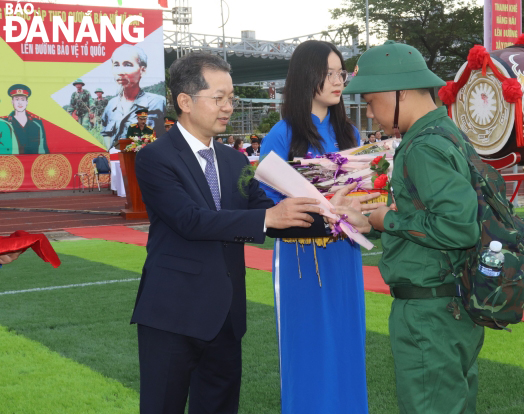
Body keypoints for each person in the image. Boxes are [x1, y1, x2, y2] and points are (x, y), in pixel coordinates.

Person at [131, 52, 328, 414]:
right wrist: (270, 217)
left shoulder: (235, 160)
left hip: (225, 318)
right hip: (172, 316)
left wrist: (333, 216)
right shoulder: (156, 157)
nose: (228, 107)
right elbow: (191, 220)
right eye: (219, 98)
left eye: (231, 98)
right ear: (185, 102)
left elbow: (265, 214)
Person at [341, 40, 485, 414]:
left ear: (399, 91)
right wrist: (373, 222)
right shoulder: (444, 132)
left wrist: (385, 218)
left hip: (429, 310)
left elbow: (458, 226)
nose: (370, 113)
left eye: (371, 101)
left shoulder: (423, 145)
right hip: (451, 301)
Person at [259, 39, 374, 414]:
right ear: (306, 77)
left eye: (340, 73)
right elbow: (270, 203)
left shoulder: (351, 135)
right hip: (300, 261)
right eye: (329, 74)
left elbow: (365, 196)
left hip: (344, 254)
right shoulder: (280, 135)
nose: (338, 81)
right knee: (306, 346)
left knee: (346, 340)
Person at [101, 44, 166, 149]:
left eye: (127, 64)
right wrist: (111, 153)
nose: (120, 72)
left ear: (142, 70)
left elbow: (165, 135)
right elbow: (106, 133)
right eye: (116, 65)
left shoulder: (158, 103)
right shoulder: (111, 105)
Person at [2, 85, 49, 154]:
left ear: (27, 102)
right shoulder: (4, 123)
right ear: (12, 102)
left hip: (33, 162)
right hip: (12, 162)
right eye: (17, 99)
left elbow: (43, 149)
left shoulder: (37, 123)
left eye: (23, 99)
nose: (20, 103)